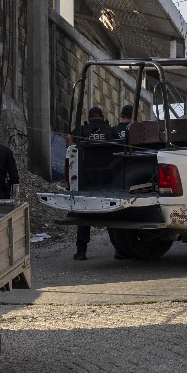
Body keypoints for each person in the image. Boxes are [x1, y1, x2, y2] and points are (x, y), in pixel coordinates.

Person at [69, 107, 111, 261]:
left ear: (89, 117)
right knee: (112, 213)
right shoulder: (110, 131)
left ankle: (81, 251)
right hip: (108, 179)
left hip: (86, 178)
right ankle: (119, 250)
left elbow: (70, 144)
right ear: (102, 117)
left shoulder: (80, 130)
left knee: (84, 215)